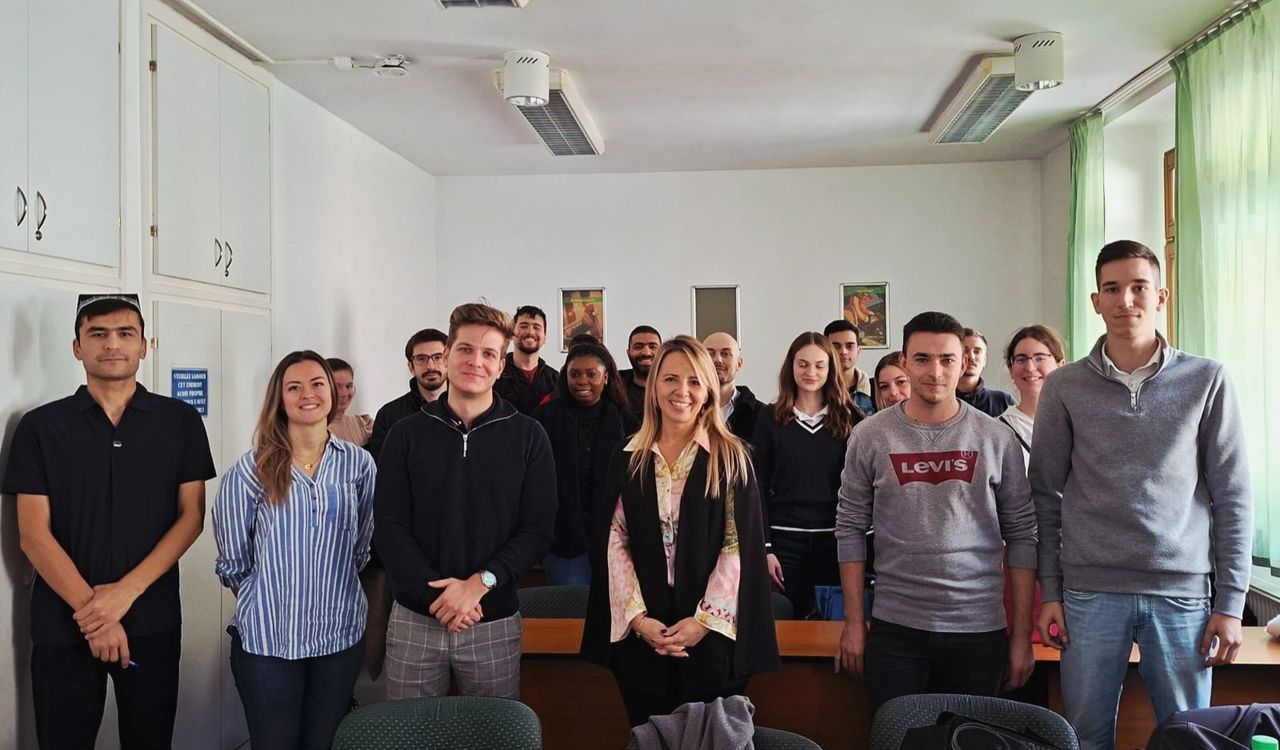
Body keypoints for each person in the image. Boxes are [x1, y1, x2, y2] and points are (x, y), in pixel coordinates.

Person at [1031, 241, 1252, 750]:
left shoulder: (1207, 379)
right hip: (1089, 593)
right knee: (1085, 738)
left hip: (1182, 596)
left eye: (1138, 287)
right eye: (1112, 289)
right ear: (1096, 301)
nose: (1125, 300)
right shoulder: (1064, 386)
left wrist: (1231, 604)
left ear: (1161, 296)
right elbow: (1045, 495)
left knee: (1190, 737)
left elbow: (1233, 497)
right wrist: (1051, 592)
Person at [4, 293, 216, 748]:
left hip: (152, 620)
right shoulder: (40, 427)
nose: (112, 344)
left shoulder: (179, 421)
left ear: (144, 345)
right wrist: (97, 615)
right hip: (64, 624)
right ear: (77, 347)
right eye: (97, 334)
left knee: (150, 740)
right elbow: (33, 535)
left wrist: (124, 594)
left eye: (125, 333)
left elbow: (191, 518)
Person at [834, 311, 1037, 718]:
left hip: (978, 629)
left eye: (947, 359)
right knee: (895, 739)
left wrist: (1020, 636)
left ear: (964, 363)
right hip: (896, 628)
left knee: (968, 740)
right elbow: (850, 527)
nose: (935, 371)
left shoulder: (996, 438)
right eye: (923, 359)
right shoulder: (869, 436)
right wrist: (854, 623)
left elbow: (1022, 535)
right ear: (904, 362)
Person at [581, 336, 779, 727]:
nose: (682, 391)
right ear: (654, 386)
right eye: (670, 379)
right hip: (644, 632)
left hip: (712, 634)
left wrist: (702, 622)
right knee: (650, 736)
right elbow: (614, 540)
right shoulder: (628, 456)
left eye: (694, 381)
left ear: (708, 391)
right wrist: (639, 621)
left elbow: (737, 546)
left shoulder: (731, 457)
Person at [375, 303, 557, 700]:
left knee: (492, 729)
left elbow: (538, 529)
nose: (476, 361)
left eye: (489, 353)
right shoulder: (405, 434)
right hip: (416, 617)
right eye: (465, 349)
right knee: (410, 730)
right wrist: (438, 598)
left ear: (501, 365)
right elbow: (389, 526)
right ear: (447, 355)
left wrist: (479, 584)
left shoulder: (529, 436)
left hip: (491, 617)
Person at [213, 351, 375, 750]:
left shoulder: (359, 465)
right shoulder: (250, 471)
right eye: (294, 387)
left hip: (338, 638)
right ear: (279, 398)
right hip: (269, 643)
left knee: (324, 743)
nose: (308, 394)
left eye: (317, 384)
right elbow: (234, 565)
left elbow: (360, 548)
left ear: (332, 393)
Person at [753, 332, 860, 619]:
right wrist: (765, 549)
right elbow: (757, 486)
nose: (810, 372)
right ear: (791, 366)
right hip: (784, 542)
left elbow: (861, 489)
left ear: (830, 369)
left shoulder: (851, 418)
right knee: (788, 621)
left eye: (819, 365)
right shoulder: (770, 417)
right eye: (803, 364)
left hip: (834, 541)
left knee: (835, 624)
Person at [532, 342, 639, 585]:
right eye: (575, 374)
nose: (582, 381)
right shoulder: (544, 417)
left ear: (606, 377)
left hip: (614, 537)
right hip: (562, 537)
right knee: (574, 604)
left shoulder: (625, 420)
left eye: (592, 374)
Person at [368, 328, 448, 459]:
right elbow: (382, 467)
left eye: (438, 357)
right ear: (411, 367)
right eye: (421, 359)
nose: (431, 366)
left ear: (449, 361)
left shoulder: (467, 411)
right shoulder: (388, 415)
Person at [998, 326, 1066, 465]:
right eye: (1021, 359)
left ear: (1061, 366)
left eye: (1040, 358)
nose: (1030, 368)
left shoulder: (1078, 425)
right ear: (1011, 370)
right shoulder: (997, 431)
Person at [495, 305, 559, 414]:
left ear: (545, 337)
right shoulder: (495, 374)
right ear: (512, 333)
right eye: (524, 326)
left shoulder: (555, 379)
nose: (530, 332)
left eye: (537, 327)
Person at [703, 331, 763, 443]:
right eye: (710, 354)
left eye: (725, 354)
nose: (717, 359)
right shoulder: (688, 410)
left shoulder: (762, 415)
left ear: (739, 363)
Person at [956, 328, 1016, 417]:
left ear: (984, 361)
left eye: (977, 351)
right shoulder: (940, 400)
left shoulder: (1004, 403)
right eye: (965, 350)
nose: (971, 357)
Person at [823, 320, 875, 416]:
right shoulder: (816, 389)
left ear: (858, 351)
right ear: (825, 351)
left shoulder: (875, 388)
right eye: (836, 346)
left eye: (849, 346)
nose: (843, 352)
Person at [326, 357, 374, 447]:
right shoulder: (308, 430)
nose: (344, 393)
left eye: (349, 386)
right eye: (337, 387)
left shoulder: (363, 425)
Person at [619, 325, 662, 419]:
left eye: (653, 347)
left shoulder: (674, 386)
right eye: (638, 347)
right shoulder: (615, 385)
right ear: (628, 353)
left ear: (662, 352)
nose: (646, 353)